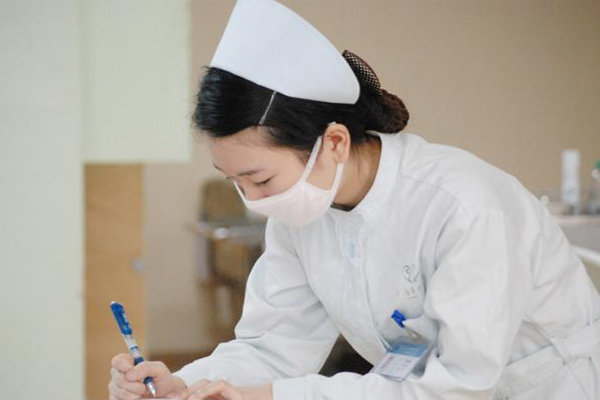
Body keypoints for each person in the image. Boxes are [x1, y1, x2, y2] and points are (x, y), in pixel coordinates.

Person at [108, 0, 600, 399]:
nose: (253, 200)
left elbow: (457, 385)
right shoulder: (302, 215)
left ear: (335, 142)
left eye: (260, 179)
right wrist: (185, 385)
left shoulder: (462, 206)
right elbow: (274, 346)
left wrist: (272, 396)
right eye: (235, 182)